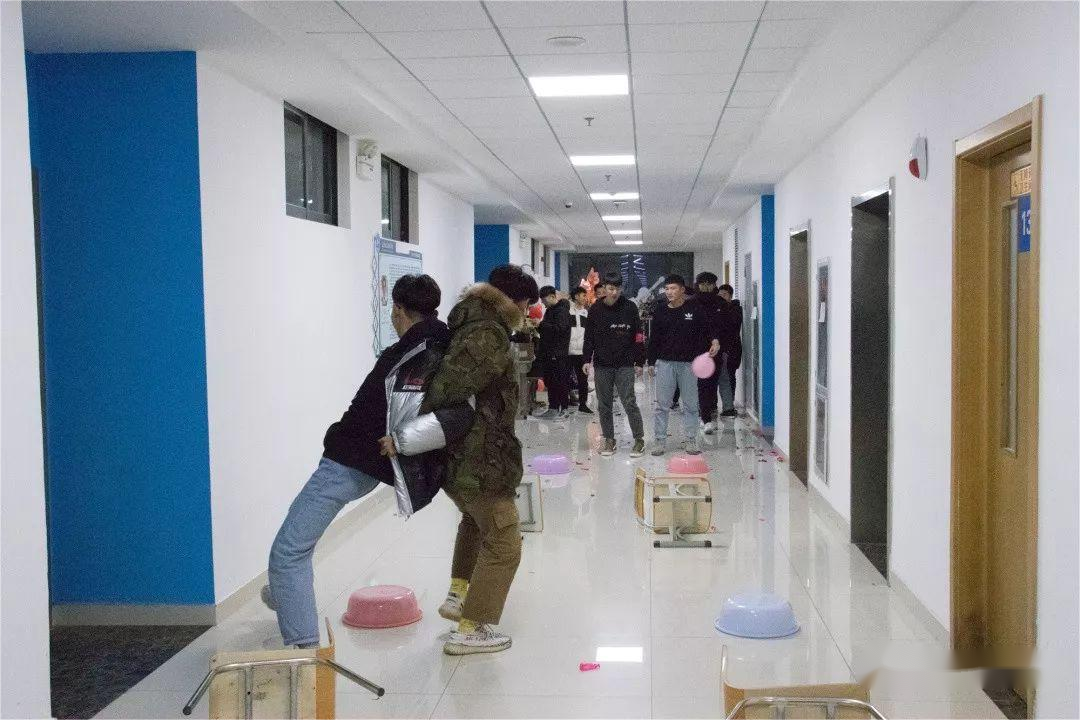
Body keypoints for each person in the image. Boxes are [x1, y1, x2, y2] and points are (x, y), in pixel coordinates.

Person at [262, 275, 453, 649]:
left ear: (398, 309)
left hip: (349, 460)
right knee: (291, 554)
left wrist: (386, 441)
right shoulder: (436, 345)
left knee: (288, 552)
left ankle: (304, 651)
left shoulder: (413, 352)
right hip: (366, 463)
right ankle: (285, 597)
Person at [424, 264, 538, 656]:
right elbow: (448, 389)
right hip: (480, 456)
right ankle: (471, 628)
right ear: (513, 300)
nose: (525, 312)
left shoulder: (474, 323)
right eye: (525, 304)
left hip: (470, 452)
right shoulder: (487, 333)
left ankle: (459, 597)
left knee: (474, 523)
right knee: (505, 541)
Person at [647, 275, 719, 456]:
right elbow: (654, 339)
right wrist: (651, 362)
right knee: (662, 405)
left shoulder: (694, 309)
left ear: (682, 290)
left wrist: (715, 341)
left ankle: (691, 440)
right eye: (667, 289)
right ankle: (660, 441)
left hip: (688, 365)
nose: (669, 292)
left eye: (673, 288)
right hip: (665, 363)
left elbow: (708, 328)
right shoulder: (660, 311)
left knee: (690, 405)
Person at [583, 272, 646, 458]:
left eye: (618, 289)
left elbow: (638, 335)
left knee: (629, 402)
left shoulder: (630, 307)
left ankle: (639, 439)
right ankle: (609, 439)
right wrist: (586, 359)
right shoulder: (596, 309)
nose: (614, 292)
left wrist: (640, 361)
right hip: (602, 364)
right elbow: (589, 336)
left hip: (625, 363)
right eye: (611, 289)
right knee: (604, 405)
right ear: (604, 288)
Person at [692, 272, 725, 432]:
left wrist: (718, 342)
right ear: (698, 285)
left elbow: (725, 326)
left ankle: (708, 412)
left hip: (716, 349)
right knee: (702, 383)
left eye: (709, 284)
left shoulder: (720, 303)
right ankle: (705, 417)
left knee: (712, 384)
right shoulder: (692, 303)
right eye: (703, 284)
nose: (706, 287)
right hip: (697, 349)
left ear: (714, 285)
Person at [536, 286, 572, 418]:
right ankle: (553, 408)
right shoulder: (549, 311)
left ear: (552, 296)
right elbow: (547, 331)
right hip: (548, 352)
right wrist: (538, 326)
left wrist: (541, 324)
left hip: (558, 353)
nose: (543, 303)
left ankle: (564, 408)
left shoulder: (561, 311)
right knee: (550, 381)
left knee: (559, 381)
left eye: (544, 300)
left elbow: (560, 330)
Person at [717, 283, 743, 417]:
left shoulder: (736, 309)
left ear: (730, 296)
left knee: (730, 376)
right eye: (720, 295)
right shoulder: (717, 308)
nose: (722, 297)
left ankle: (729, 405)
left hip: (732, 349)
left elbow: (733, 325)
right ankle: (718, 405)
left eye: (725, 295)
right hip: (719, 349)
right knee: (721, 377)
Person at [567, 287, 592, 413]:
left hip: (582, 352)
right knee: (565, 377)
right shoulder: (567, 311)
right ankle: (565, 402)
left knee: (583, 379)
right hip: (568, 350)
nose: (585, 298)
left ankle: (583, 404)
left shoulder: (586, 313)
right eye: (583, 295)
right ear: (576, 296)